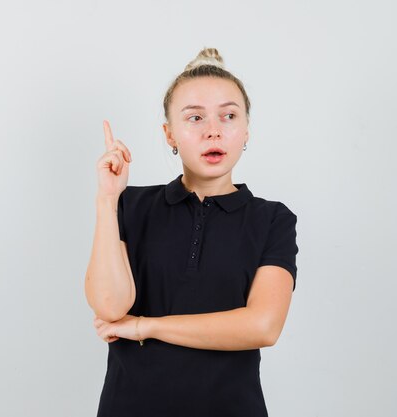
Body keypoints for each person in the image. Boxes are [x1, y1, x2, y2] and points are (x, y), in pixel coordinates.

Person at [85, 47, 298, 417]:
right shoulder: (130, 205)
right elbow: (108, 306)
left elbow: (262, 325)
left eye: (228, 116)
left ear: (246, 129)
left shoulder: (273, 220)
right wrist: (107, 199)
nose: (213, 130)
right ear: (170, 134)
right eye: (195, 118)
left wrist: (144, 327)